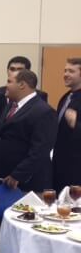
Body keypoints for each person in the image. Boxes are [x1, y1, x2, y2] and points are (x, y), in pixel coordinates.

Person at [0, 70, 57, 193]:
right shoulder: (11, 106)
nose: (5, 86)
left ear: (22, 85)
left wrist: (19, 174)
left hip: (27, 182)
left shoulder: (44, 111)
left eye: (9, 81)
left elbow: (40, 150)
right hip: (5, 178)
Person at [52, 57, 81, 192]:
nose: (66, 74)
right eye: (65, 70)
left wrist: (75, 124)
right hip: (60, 164)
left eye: (71, 71)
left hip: (76, 167)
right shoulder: (66, 97)